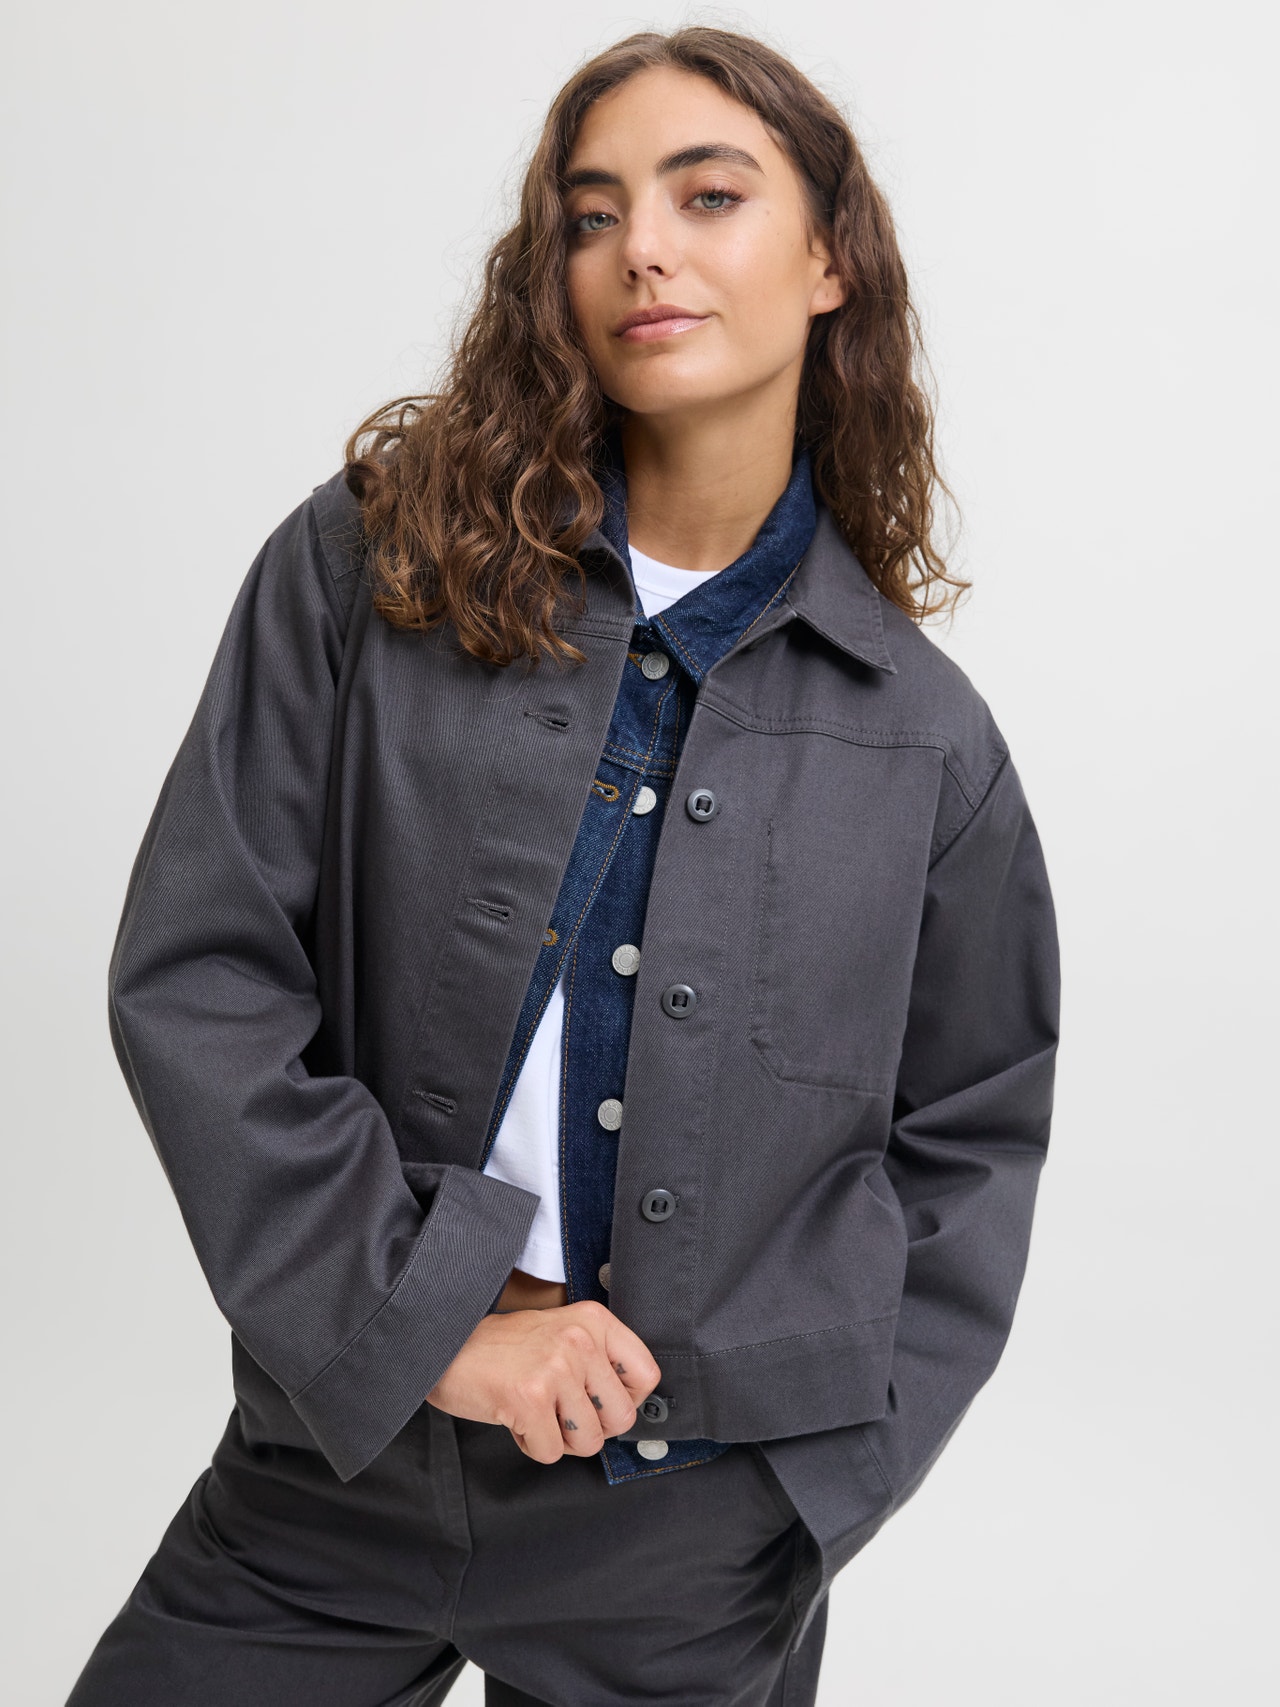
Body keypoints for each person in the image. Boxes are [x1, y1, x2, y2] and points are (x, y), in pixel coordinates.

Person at [66, 24, 1060, 1707]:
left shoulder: (924, 740)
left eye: (708, 195)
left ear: (831, 259)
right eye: (593, 214)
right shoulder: (375, 567)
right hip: (334, 1467)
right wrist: (426, 1321)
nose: (642, 249)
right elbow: (201, 972)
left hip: (688, 1540)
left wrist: (805, 1494)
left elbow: (972, 1131)